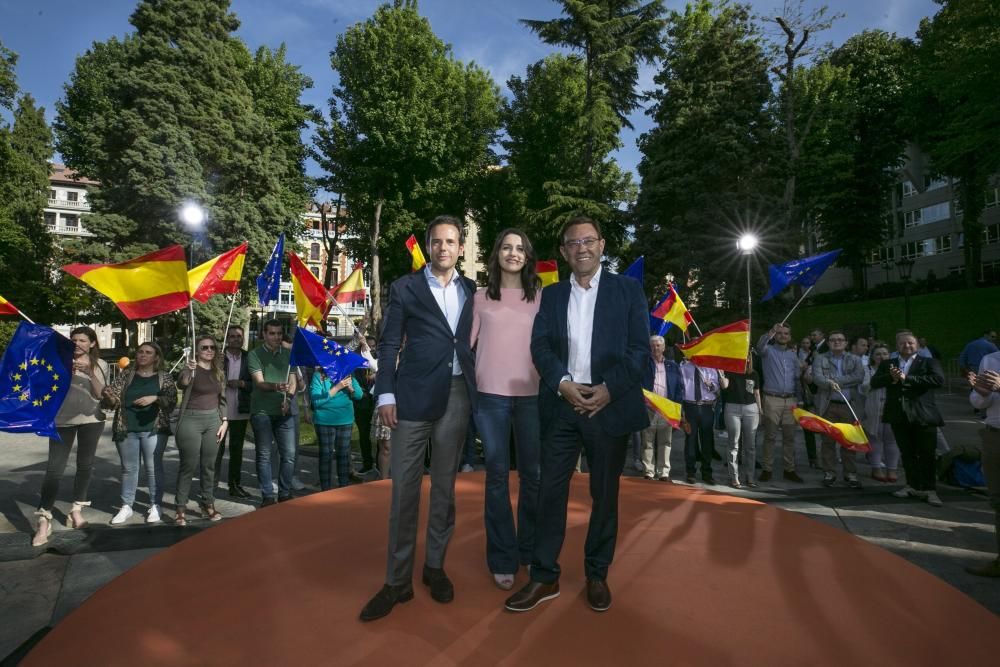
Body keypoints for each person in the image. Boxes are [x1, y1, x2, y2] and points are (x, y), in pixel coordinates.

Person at [504, 216, 648, 614]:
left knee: (605, 495)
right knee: (550, 492)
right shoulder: (550, 297)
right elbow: (541, 348)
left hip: (609, 407)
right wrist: (563, 383)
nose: (581, 248)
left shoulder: (629, 291)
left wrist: (608, 389)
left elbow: (640, 352)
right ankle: (544, 575)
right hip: (562, 406)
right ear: (564, 252)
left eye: (588, 241)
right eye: (573, 243)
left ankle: (596, 573)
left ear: (601, 245)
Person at [360, 215, 477, 622]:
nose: (443, 247)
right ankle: (397, 582)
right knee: (404, 491)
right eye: (437, 241)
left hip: (458, 396)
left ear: (460, 248)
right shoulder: (405, 287)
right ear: (428, 246)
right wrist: (385, 393)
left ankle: (434, 568)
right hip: (409, 398)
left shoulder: (471, 290)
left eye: (451, 241)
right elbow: (390, 343)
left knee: (444, 491)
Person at [470, 227, 543, 591]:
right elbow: (462, 347)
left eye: (520, 248)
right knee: (497, 477)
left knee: (533, 477)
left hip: (532, 398)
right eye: (506, 247)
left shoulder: (542, 298)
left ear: (528, 256)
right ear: (496, 253)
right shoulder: (480, 297)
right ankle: (502, 556)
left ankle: (528, 549)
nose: (513, 253)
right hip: (490, 398)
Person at [32, 327, 109, 546]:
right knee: (54, 470)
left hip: (91, 420)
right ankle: (44, 519)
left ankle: (76, 510)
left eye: (82, 340)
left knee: (85, 466)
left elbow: (99, 394)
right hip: (61, 421)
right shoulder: (57, 362)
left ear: (92, 343)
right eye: (73, 340)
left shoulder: (100, 364)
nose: (77, 343)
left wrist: (89, 372)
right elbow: (44, 390)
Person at [101, 342, 177, 525]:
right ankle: (127, 506)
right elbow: (113, 401)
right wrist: (108, 395)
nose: (143, 355)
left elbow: (172, 400)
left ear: (156, 357)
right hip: (127, 428)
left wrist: (156, 398)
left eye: (148, 352)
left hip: (154, 429)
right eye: (140, 352)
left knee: (153, 469)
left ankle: (155, 505)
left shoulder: (163, 377)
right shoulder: (127, 375)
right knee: (129, 469)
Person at [871, 331, 946, 506]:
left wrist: (908, 379)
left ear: (917, 345)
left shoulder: (928, 362)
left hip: (923, 415)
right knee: (907, 453)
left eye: (910, 343)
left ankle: (929, 489)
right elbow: (875, 382)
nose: (907, 346)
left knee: (927, 454)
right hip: (899, 415)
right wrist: (892, 377)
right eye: (903, 343)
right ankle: (911, 485)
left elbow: (938, 380)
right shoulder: (889, 364)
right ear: (897, 346)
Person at [174, 334, 228, 525]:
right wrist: (189, 370)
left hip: (214, 420)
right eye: (204, 347)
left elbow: (222, 398)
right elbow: (182, 383)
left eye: (212, 347)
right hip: (190, 420)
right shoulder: (191, 368)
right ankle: (180, 508)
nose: (209, 351)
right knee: (188, 466)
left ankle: (208, 504)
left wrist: (225, 420)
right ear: (197, 350)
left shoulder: (219, 371)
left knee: (209, 466)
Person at [248, 319, 298, 506]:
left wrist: (290, 399)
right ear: (264, 334)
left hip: (284, 412)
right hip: (262, 412)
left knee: (290, 454)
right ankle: (267, 496)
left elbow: (292, 382)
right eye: (272, 333)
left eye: (279, 333)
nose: (276, 337)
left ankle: (284, 493)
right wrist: (277, 386)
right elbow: (259, 383)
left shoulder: (288, 354)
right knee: (264, 454)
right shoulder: (255, 354)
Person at [812, 331, 865, 488]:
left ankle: (850, 473)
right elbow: (818, 378)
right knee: (827, 442)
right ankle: (829, 473)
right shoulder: (820, 359)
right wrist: (829, 383)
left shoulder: (855, 359)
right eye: (833, 340)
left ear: (846, 343)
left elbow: (859, 377)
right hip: (828, 406)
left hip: (849, 405)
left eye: (840, 340)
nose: (836, 342)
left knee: (849, 441)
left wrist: (835, 381)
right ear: (828, 343)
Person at [966, 349, 1000, 577]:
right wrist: (982, 393)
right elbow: (980, 402)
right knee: (997, 501)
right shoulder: (990, 359)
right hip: (994, 435)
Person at [757, 323, 805, 482]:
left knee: (789, 437)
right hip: (772, 399)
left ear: (790, 337)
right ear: (775, 335)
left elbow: (797, 379)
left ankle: (789, 469)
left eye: (786, 333)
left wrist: (800, 400)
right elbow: (760, 346)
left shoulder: (793, 355)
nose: (783, 336)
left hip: (790, 400)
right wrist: (770, 331)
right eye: (780, 333)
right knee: (770, 436)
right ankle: (767, 469)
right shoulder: (768, 351)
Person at [310, 366, 363, 490]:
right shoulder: (318, 376)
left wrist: (351, 388)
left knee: (343, 454)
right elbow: (317, 402)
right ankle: (325, 489)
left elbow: (359, 396)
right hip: (324, 421)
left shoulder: (348, 374)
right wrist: (337, 387)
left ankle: (343, 486)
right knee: (326, 454)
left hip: (345, 420)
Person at [215, 326, 252, 499]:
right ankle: (211, 486)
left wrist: (243, 384)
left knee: (236, 450)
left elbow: (257, 383)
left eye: (239, 336)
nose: (236, 339)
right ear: (226, 338)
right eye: (232, 336)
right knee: (216, 450)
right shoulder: (219, 357)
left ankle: (234, 485)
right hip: (219, 410)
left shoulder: (249, 357)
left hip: (240, 410)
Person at [640, 335, 682, 482]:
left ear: (664, 348)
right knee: (647, 440)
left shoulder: (673, 366)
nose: (655, 348)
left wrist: (676, 406)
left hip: (667, 408)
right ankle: (649, 471)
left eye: (658, 345)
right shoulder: (644, 364)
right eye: (652, 345)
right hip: (649, 407)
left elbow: (679, 387)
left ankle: (663, 472)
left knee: (666, 441)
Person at [860, 344, 899, 482]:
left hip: (892, 408)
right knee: (875, 439)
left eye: (884, 354)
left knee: (892, 439)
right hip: (873, 407)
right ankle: (876, 468)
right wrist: (881, 379)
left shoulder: (896, 370)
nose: (881, 357)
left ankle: (892, 469)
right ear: (872, 357)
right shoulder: (867, 370)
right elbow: (864, 388)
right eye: (878, 354)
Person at [720, 354, 761, 488]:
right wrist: (721, 376)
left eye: (747, 356)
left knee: (751, 446)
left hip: (751, 409)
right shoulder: (730, 370)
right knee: (733, 443)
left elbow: (756, 393)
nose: (745, 359)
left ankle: (750, 477)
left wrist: (760, 410)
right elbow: (724, 386)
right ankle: (734, 477)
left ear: (750, 358)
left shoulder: (754, 373)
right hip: (732, 408)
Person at [680, 360, 720, 484]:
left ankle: (707, 472)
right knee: (690, 440)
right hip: (690, 407)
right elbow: (680, 388)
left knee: (707, 441)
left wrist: (711, 386)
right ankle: (691, 472)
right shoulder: (684, 367)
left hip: (706, 407)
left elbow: (717, 388)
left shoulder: (710, 367)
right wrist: (681, 411)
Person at [353, 336, 378, 476]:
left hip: (376, 401)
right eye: (368, 346)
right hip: (362, 402)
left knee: (381, 437)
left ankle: (380, 464)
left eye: (373, 346)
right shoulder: (356, 360)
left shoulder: (378, 358)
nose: (371, 349)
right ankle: (367, 463)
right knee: (364, 434)